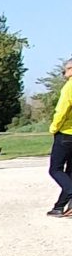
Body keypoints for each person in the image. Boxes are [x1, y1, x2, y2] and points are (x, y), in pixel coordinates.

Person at [48, 59, 72, 216]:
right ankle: (59, 207)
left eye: (66, 70)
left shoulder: (69, 87)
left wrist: (54, 128)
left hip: (66, 133)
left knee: (55, 169)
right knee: (70, 172)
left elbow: (61, 110)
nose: (64, 74)